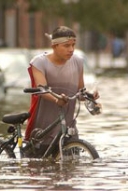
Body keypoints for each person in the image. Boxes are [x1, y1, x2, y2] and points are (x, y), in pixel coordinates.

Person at [24, 26, 99, 158]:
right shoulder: (39, 62)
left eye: (73, 45)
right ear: (54, 46)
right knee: (40, 169)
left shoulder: (78, 62)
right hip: (44, 128)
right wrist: (56, 99)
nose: (71, 49)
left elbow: (80, 92)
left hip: (69, 127)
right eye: (66, 46)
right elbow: (41, 89)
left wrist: (90, 95)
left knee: (71, 170)